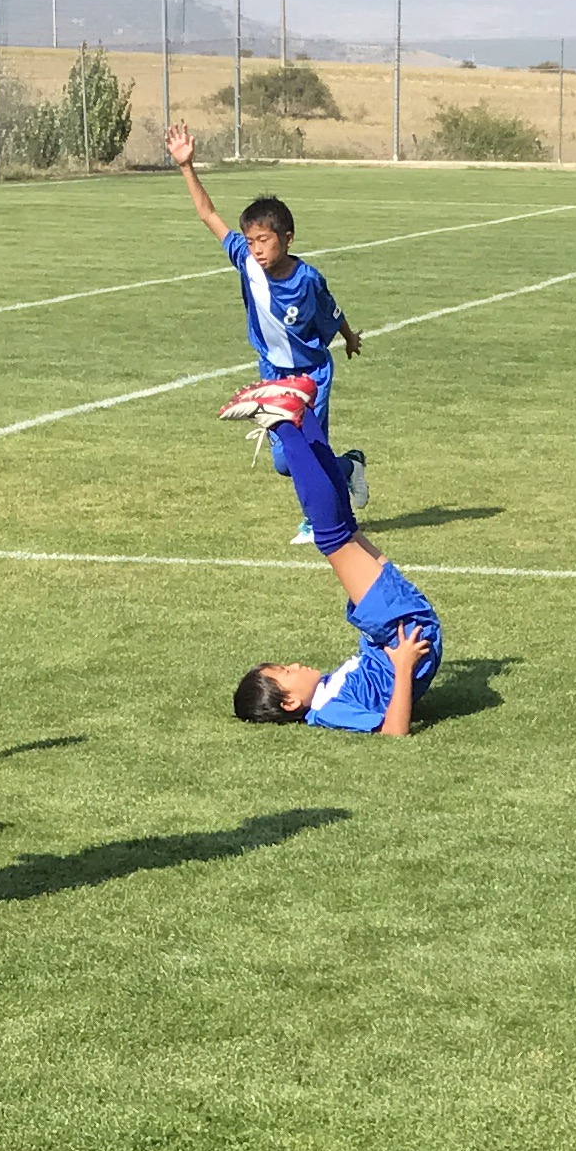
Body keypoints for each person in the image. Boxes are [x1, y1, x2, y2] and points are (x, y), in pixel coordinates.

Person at [167, 125, 368, 546]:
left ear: (287, 239)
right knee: (284, 462)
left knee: (308, 451)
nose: (256, 248)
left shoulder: (308, 280)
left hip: (311, 377)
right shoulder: (245, 262)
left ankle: (317, 520)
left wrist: (349, 338)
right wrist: (186, 166)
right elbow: (208, 214)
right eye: (251, 240)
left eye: (264, 240)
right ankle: (348, 467)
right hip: (273, 375)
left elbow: (332, 312)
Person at [231, 534, 441, 736]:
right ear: (290, 702)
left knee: (367, 565)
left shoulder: (324, 691)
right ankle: (331, 528)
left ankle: (340, 528)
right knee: (344, 547)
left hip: (388, 642)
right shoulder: (329, 711)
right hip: (403, 646)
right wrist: (404, 666)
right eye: (286, 672)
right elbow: (394, 731)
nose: (294, 665)